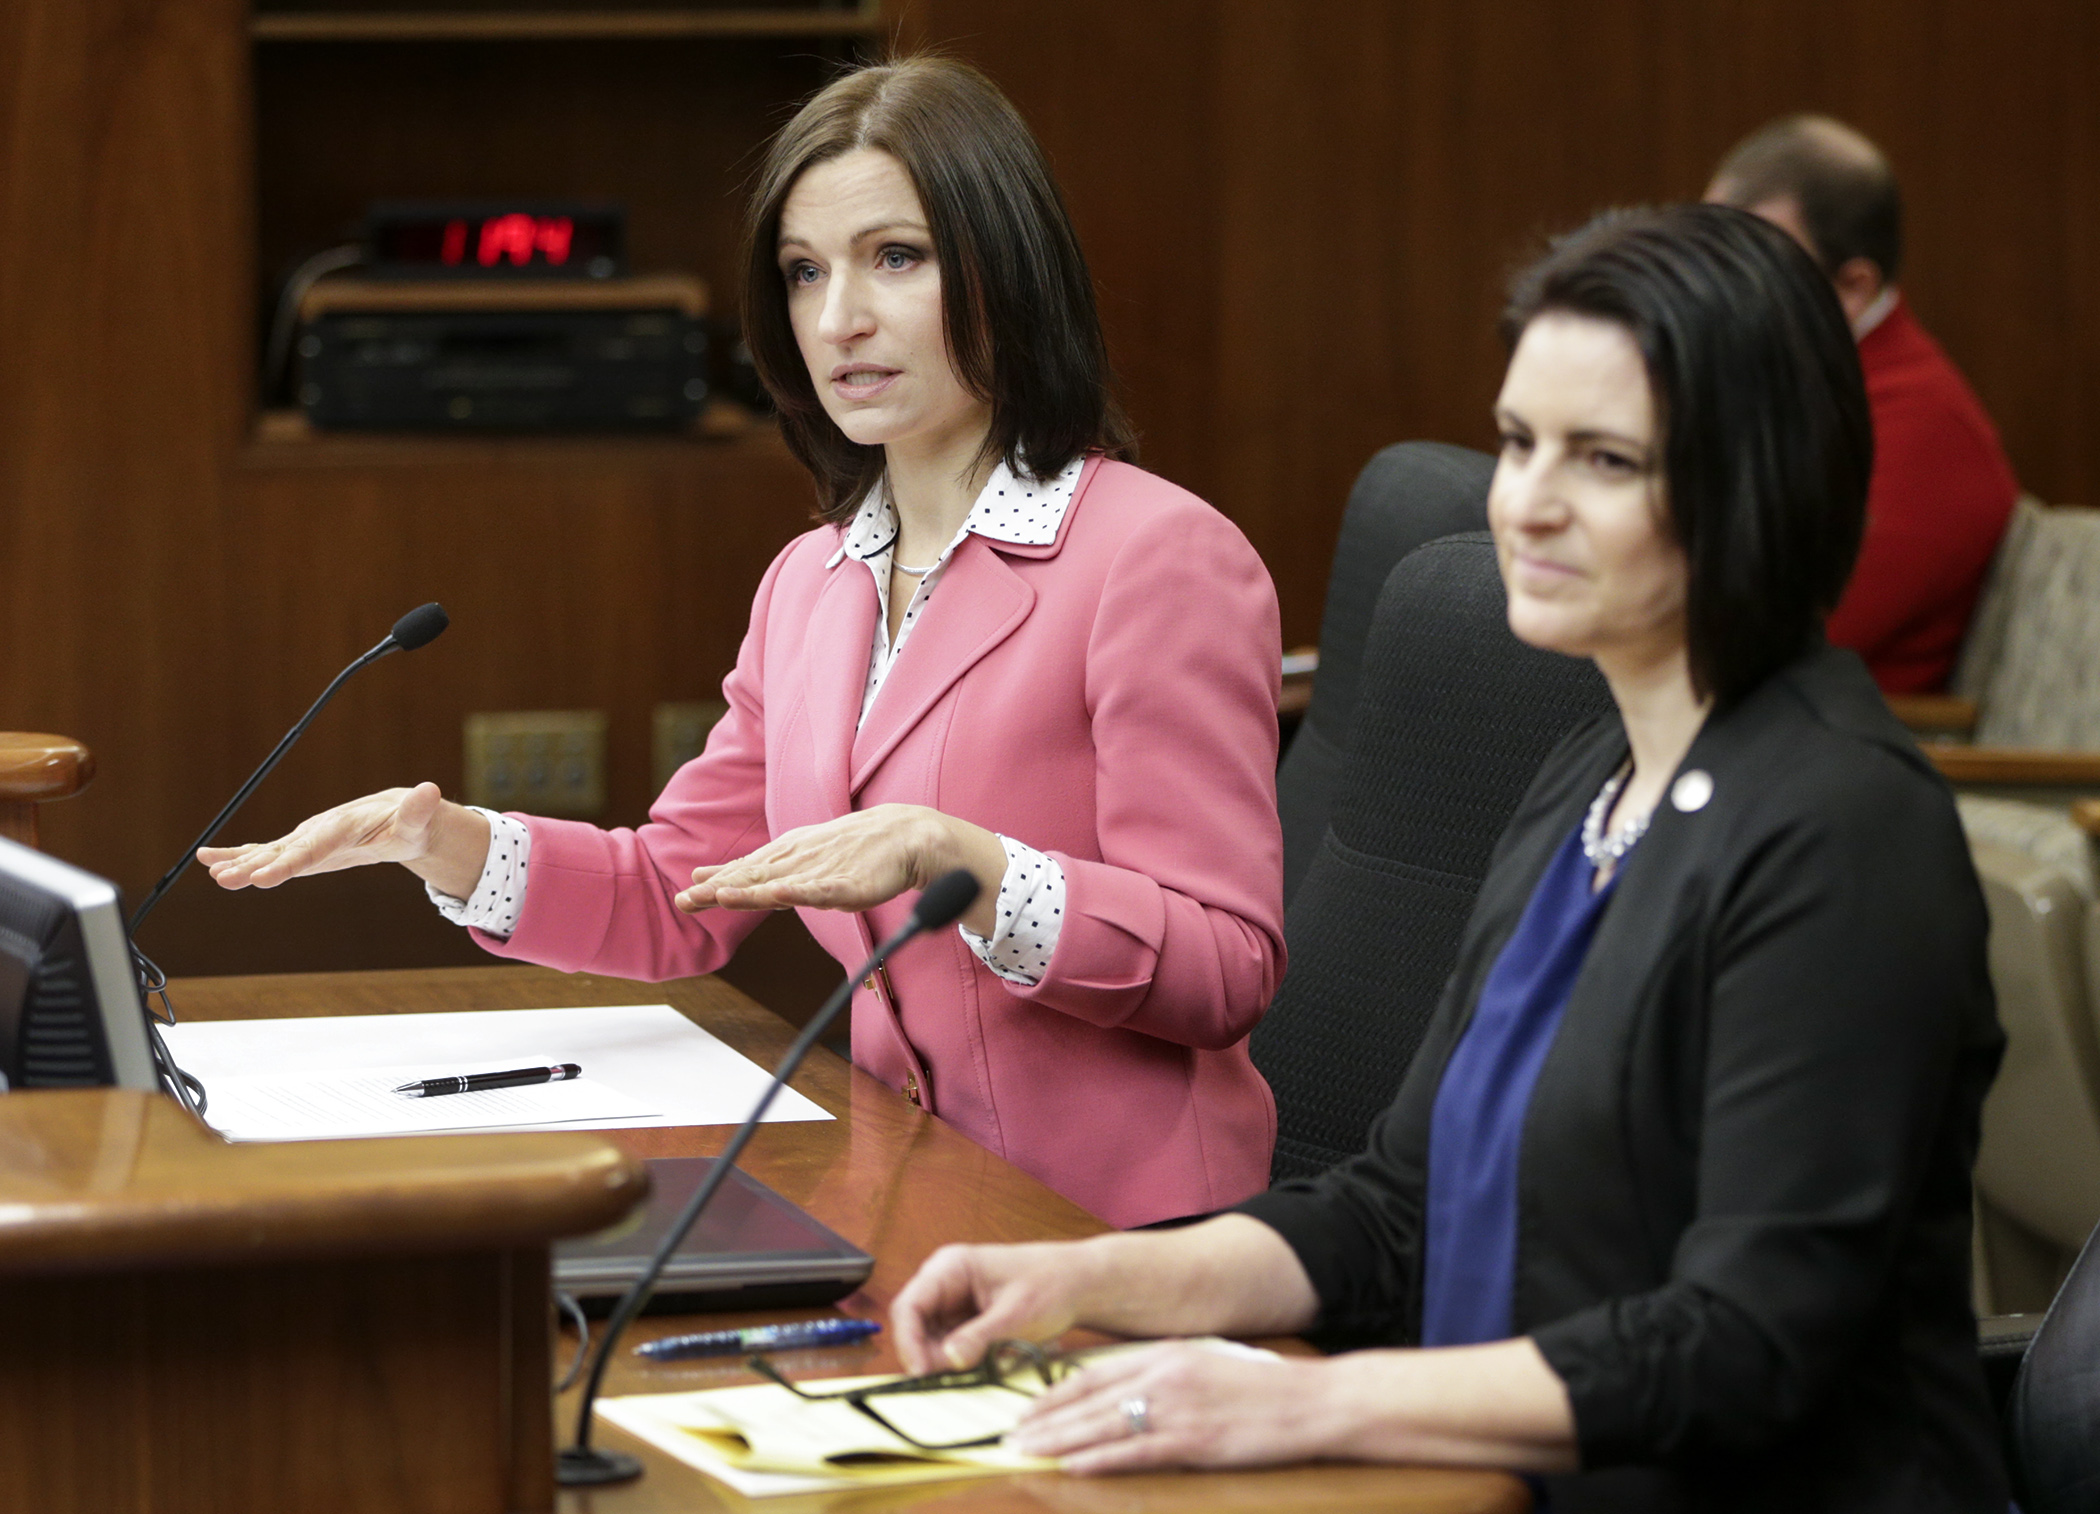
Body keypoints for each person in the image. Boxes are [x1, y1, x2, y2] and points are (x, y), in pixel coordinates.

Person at [890, 204, 2007, 1511]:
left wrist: (1305, 1399)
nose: (1522, 502)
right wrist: (1089, 1277)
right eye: (1520, 441)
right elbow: (1394, 1211)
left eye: (1602, 459)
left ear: (1750, 479)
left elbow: (1744, 1342)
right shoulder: (1585, 777)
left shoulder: (1843, 830)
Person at [198, 57, 1286, 1229]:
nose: (839, 319)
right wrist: (451, 842)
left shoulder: (1159, 557)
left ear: (1007, 268)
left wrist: (954, 860)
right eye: (804, 272)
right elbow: (686, 892)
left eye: (896, 258)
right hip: (907, 1198)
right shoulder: (810, 584)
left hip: (1121, 1232)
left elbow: (1226, 966)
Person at [1706, 113, 2019, 695]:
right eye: (1710, 255)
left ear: (1851, 288)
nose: (1712, 291)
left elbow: (1771, 638)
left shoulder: (1927, 429)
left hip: (1818, 748)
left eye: (1752, 268)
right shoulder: (1786, 378)